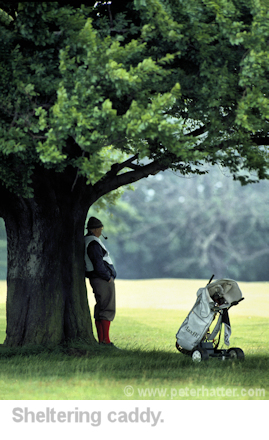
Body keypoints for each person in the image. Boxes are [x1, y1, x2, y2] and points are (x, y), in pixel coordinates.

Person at [84, 216, 117, 346]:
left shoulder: (89, 240)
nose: (101, 231)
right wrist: (107, 277)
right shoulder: (93, 242)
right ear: (96, 229)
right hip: (102, 279)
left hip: (98, 278)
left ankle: (102, 340)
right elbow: (98, 263)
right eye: (100, 229)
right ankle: (105, 341)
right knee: (107, 308)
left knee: (101, 307)